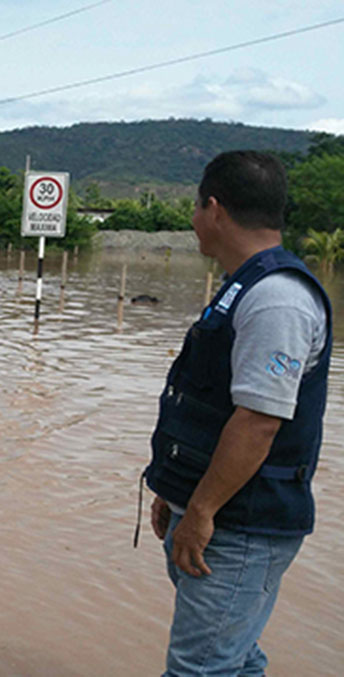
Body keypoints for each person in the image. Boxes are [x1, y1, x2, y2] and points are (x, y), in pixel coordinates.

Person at [143, 151, 331, 676]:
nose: (193, 220)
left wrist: (200, 511)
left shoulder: (276, 300)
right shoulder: (243, 285)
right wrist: (176, 492)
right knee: (234, 658)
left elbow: (258, 422)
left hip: (239, 523)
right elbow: (212, 405)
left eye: (196, 207)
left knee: (199, 669)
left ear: (216, 209)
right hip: (216, 512)